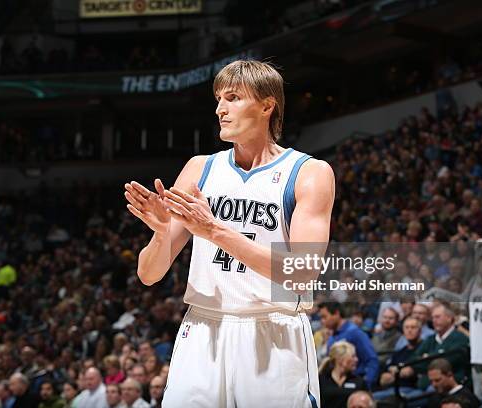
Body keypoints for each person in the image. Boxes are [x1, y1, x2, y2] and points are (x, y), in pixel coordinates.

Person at [125, 59, 335, 407]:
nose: (221, 109)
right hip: (202, 330)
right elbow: (148, 275)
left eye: (234, 97)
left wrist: (215, 231)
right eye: (219, 99)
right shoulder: (199, 168)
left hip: (273, 331)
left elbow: (302, 272)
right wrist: (162, 233)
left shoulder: (308, 172)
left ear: (268, 105)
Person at [319, 302, 379, 387]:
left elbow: (372, 360)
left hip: (354, 382)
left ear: (336, 313)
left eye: (324, 317)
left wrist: (366, 385)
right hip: (337, 384)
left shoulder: (355, 333)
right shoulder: (332, 337)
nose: (322, 321)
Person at [319, 341, 367, 408]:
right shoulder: (321, 380)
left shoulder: (359, 382)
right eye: (353, 356)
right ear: (340, 359)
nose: (356, 360)